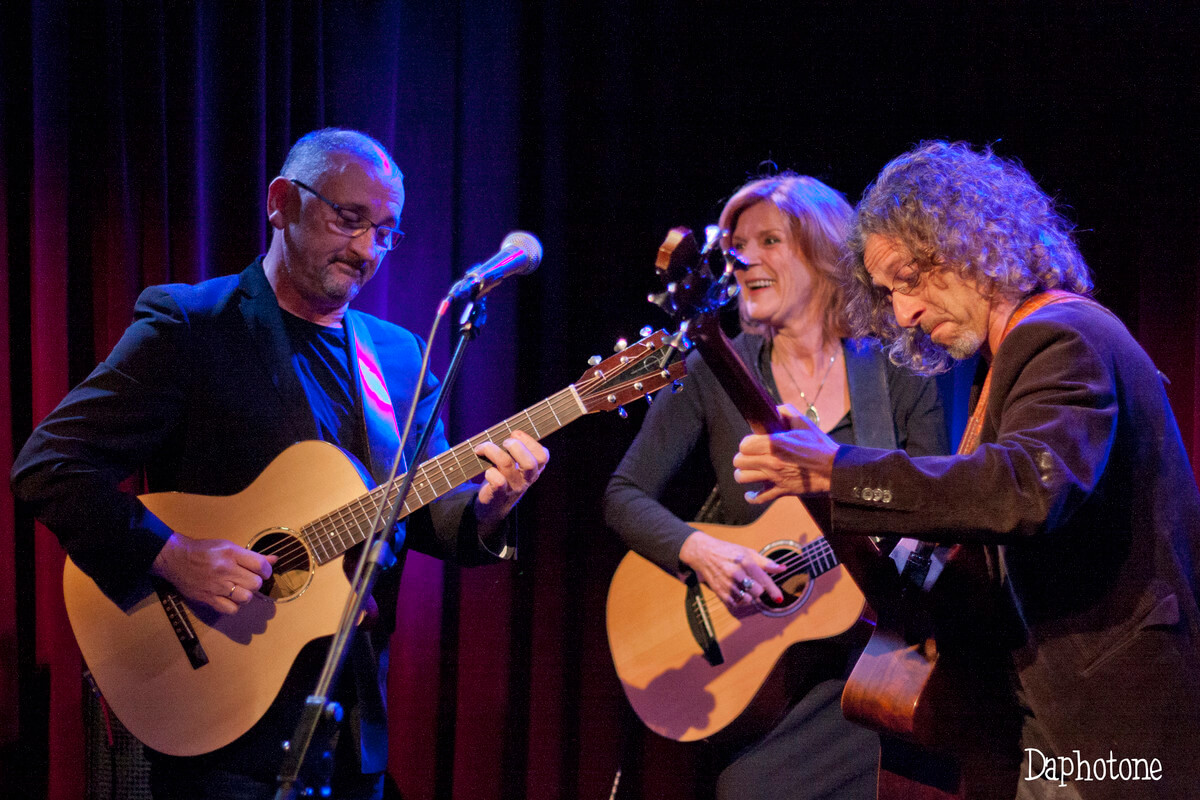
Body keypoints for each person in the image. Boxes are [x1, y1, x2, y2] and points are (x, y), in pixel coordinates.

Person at [11, 128, 548, 800]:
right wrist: (170, 552)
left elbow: (433, 517)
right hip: (219, 717)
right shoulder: (192, 325)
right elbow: (49, 465)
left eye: (386, 232)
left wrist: (493, 505)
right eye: (348, 220)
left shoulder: (402, 355)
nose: (366, 250)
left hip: (349, 726)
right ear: (281, 202)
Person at [732, 141, 1200, 800]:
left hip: (1111, 730)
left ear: (968, 243)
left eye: (909, 281)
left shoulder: (1062, 338)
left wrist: (837, 470)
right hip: (1051, 727)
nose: (903, 313)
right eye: (890, 294)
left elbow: (1022, 490)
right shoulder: (1014, 357)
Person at [603, 173, 948, 800]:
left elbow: (935, 513)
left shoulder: (895, 370)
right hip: (771, 699)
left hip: (880, 677)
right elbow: (624, 493)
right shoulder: (716, 370)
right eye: (737, 245)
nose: (744, 260)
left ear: (823, 253)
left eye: (769, 240)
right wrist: (701, 552)